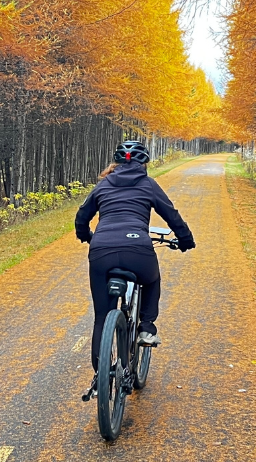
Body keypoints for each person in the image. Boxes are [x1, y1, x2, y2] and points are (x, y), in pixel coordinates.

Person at [75, 141, 195, 379]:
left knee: (101, 315)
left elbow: (82, 216)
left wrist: (86, 236)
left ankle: (103, 376)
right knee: (151, 280)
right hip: (137, 248)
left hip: (101, 250)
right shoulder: (148, 184)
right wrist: (185, 239)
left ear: (116, 164)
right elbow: (171, 215)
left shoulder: (103, 185)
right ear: (144, 164)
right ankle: (147, 328)